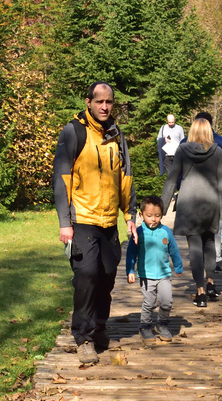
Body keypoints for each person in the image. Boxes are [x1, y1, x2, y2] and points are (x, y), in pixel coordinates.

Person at [52, 82, 137, 365]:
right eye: (99, 101)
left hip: (109, 221)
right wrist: (65, 223)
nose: (104, 107)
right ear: (88, 102)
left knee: (107, 276)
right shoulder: (73, 132)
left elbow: (125, 178)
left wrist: (129, 215)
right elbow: (61, 179)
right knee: (86, 276)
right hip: (83, 220)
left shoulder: (116, 135)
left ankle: (100, 327)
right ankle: (83, 338)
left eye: (109, 102)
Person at [161, 116, 222, 308]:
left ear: (191, 131)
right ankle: (210, 282)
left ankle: (200, 292)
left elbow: (172, 178)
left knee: (194, 249)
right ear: (209, 131)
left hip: (188, 204)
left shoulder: (182, 150)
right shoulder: (216, 151)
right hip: (210, 204)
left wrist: (162, 207)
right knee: (209, 244)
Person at [182, 111, 222, 270]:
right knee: (216, 227)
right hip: (217, 190)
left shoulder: (184, 143)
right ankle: (214, 259)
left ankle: (199, 258)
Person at [126, 195, 183, 342]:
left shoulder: (166, 232)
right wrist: (130, 270)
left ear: (162, 215)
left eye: (157, 216)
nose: (153, 219)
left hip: (164, 274)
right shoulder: (138, 233)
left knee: (166, 301)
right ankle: (145, 326)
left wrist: (178, 266)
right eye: (149, 216)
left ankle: (162, 324)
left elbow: (174, 250)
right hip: (147, 275)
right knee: (149, 302)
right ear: (141, 215)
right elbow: (131, 253)